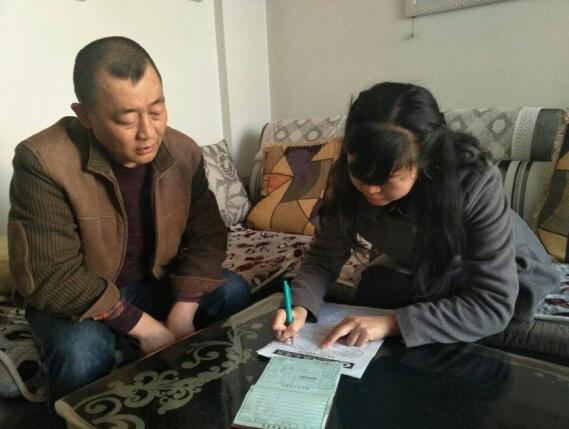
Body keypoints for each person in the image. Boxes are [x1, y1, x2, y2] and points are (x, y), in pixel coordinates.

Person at [8, 36, 250, 427]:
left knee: (233, 291)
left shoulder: (183, 152)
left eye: (157, 110)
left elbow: (207, 236)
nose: (148, 132)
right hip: (81, 300)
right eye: (125, 119)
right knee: (80, 352)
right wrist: (147, 329)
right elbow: (53, 275)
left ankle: (213, 406)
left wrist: (184, 310)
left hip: (153, 282)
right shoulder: (43, 162)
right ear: (85, 116)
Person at [272, 82, 559, 353]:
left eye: (386, 178)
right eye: (359, 172)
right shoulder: (346, 180)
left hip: (503, 265)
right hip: (420, 260)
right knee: (374, 289)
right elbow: (324, 256)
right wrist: (299, 305)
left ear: (425, 161)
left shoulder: (474, 184)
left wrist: (392, 323)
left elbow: (492, 303)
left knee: (471, 322)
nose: (370, 189)